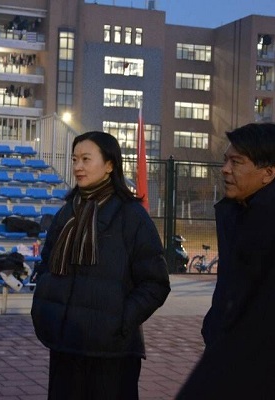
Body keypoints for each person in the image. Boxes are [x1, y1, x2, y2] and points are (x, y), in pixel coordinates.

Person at [177, 123, 275, 398]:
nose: (225, 169)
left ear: (268, 173)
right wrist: (215, 326)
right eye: (225, 160)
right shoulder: (235, 212)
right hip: (226, 349)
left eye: (236, 162)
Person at [31, 131, 171, 400]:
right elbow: (47, 264)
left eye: (86, 159)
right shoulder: (67, 212)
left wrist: (120, 321)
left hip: (112, 353)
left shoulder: (131, 216)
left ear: (109, 165)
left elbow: (155, 283)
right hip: (65, 344)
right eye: (74, 159)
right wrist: (46, 307)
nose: (78, 167)